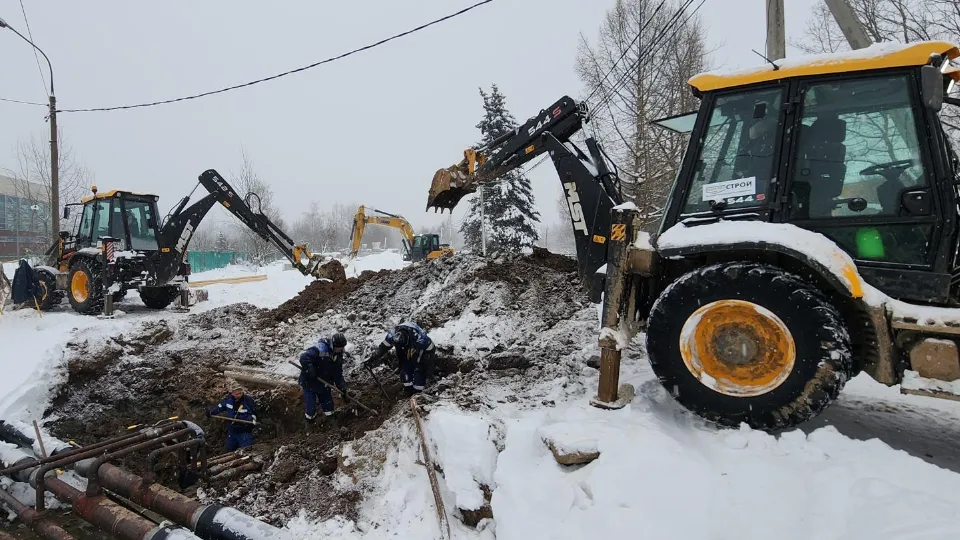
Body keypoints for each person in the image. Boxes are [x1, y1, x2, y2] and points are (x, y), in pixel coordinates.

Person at [367, 321, 435, 395]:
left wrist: (428, 367)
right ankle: (408, 390)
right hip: (406, 346)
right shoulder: (392, 335)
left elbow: (431, 349)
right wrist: (374, 357)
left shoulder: (420, 339)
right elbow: (383, 347)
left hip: (420, 349)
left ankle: (418, 392)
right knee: (405, 366)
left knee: (419, 367)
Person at [298, 332, 348, 422]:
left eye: (343, 347)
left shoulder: (338, 355)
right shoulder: (322, 349)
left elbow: (338, 373)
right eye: (340, 347)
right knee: (311, 407)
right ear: (334, 345)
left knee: (329, 407)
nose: (342, 349)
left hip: (324, 383)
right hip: (310, 382)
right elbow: (304, 357)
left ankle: (331, 422)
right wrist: (310, 368)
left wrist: (342, 387)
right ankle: (309, 423)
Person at [206, 385, 257, 451]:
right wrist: (211, 412)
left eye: (240, 393)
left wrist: (247, 420)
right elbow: (220, 407)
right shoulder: (228, 399)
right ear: (232, 393)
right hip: (232, 430)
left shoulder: (248, 401)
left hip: (244, 431)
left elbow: (253, 415)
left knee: (246, 450)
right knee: (230, 449)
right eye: (236, 394)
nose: (238, 395)